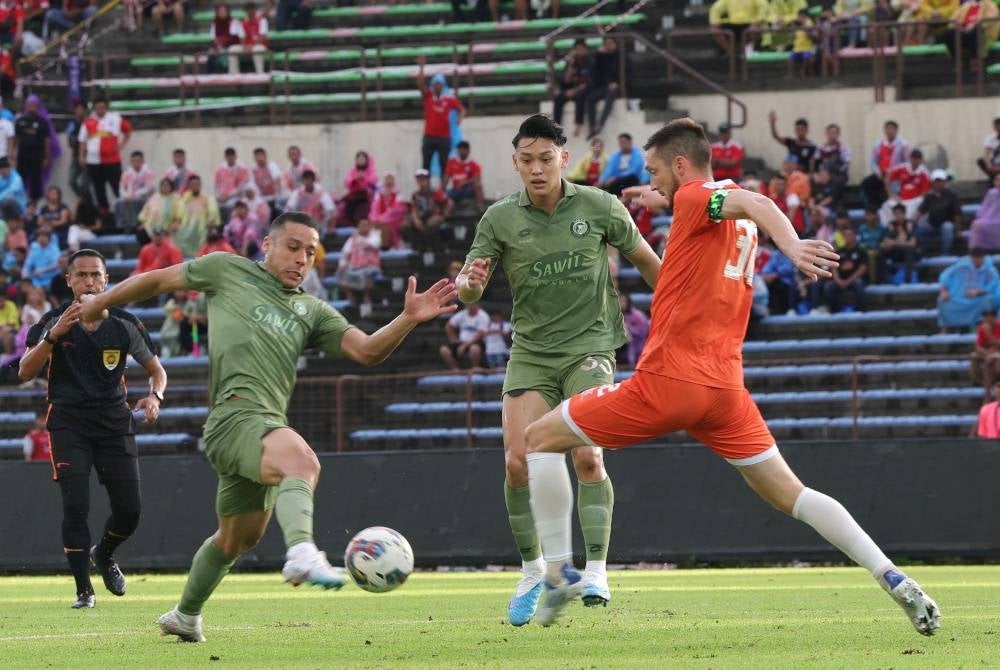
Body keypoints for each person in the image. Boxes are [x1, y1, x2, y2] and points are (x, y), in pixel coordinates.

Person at [519, 117, 940, 636]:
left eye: (654, 172)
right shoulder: (717, 208)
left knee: (538, 439)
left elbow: (755, 203)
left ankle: (559, 571)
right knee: (793, 494)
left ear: (680, 165)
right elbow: (734, 208)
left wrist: (792, 245)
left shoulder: (698, 197)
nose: (651, 180)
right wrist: (662, 200)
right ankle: (891, 575)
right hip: (724, 391)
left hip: (669, 381)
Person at [78, 211, 457, 642]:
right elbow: (159, 280)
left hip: (262, 426)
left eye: (310, 252)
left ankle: (185, 615)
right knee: (303, 462)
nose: (301, 259)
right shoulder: (227, 269)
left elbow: (368, 351)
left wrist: (407, 318)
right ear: (267, 244)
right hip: (234, 418)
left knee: (235, 540)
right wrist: (101, 301)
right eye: (293, 247)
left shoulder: (312, 311)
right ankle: (302, 553)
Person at [456, 114, 661, 626]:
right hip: (531, 352)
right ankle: (533, 572)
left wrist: (684, 309)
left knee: (588, 456)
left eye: (546, 158)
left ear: (563, 159)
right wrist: (469, 285)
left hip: (590, 346)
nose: (537, 168)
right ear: (515, 163)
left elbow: (647, 260)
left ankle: (596, 571)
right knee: (516, 464)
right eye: (527, 160)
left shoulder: (600, 206)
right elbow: (468, 288)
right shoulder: (499, 219)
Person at [19, 249, 166, 609]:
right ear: (68, 280)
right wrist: (53, 337)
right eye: (81, 275)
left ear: (106, 280)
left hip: (114, 423)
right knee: (76, 505)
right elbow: (24, 371)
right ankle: (84, 590)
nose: (89, 281)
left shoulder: (124, 323)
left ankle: (105, 553)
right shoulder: (52, 321)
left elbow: (157, 371)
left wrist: (155, 396)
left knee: (130, 512)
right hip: (69, 423)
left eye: (95, 275)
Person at [78, 96, 131, 215]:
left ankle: (124, 212)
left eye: (102, 107)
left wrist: (122, 144)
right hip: (93, 161)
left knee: (118, 187)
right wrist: (81, 156)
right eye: (98, 107)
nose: (100, 110)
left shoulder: (115, 119)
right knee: (98, 188)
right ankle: (104, 212)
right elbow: (82, 140)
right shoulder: (88, 121)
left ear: (106, 107)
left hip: (112, 160)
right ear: (94, 108)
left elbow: (128, 130)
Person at [416, 55, 464, 176]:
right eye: (436, 84)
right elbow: (420, 85)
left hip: (444, 137)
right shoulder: (428, 97)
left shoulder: (449, 99)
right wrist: (421, 68)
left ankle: (442, 188)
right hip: (429, 136)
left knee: (444, 165)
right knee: (426, 165)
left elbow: (462, 109)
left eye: (440, 84)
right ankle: (426, 187)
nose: (438, 86)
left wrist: (459, 118)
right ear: (432, 85)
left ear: (443, 86)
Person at [937, 248, 997, 333]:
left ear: (983, 258)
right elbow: (945, 276)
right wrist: (944, 290)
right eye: (974, 257)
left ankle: (983, 329)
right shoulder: (960, 265)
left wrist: (978, 292)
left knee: (987, 301)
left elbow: (994, 285)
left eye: (979, 257)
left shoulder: (990, 269)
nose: (976, 260)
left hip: (979, 298)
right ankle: (946, 330)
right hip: (959, 296)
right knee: (942, 300)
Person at [861, 120, 910, 209]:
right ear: (885, 130)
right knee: (867, 183)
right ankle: (876, 205)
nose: (890, 131)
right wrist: (877, 171)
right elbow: (873, 161)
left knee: (896, 186)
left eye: (892, 129)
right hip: (882, 173)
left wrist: (894, 170)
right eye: (888, 129)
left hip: (897, 174)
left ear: (896, 130)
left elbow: (907, 162)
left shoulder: (904, 145)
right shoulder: (878, 144)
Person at [13, 95, 53, 202]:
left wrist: (46, 157)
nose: (31, 107)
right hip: (22, 155)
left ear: (37, 106)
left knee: (36, 180)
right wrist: (12, 154)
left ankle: (34, 204)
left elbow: (47, 141)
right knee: (19, 179)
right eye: (29, 105)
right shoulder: (20, 121)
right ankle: (20, 202)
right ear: (26, 106)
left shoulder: (43, 122)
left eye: (33, 105)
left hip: (37, 155)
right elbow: (16, 138)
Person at [404, 168, 452, 256]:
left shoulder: (436, 192)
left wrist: (444, 216)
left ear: (428, 180)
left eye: (423, 179)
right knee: (405, 226)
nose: (421, 181)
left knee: (430, 225)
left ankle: (437, 248)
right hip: (421, 217)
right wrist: (416, 220)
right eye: (419, 179)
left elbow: (449, 203)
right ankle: (419, 246)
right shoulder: (415, 195)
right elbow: (414, 209)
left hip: (434, 215)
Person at [335, 218, 381, 308]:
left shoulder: (375, 235)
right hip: (354, 266)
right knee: (340, 273)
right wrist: (342, 264)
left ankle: (366, 297)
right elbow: (345, 253)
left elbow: (373, 244)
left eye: (365, 225)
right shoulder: (352, 238)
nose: (363, 227)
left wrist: (358, 238)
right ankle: (350, 297)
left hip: (370, 265)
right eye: (361, 226)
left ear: (369, 226)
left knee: (365, 274)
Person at [172, 175, 220, 258]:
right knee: (174, 233)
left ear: (200, 185)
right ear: (189, 186)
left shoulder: (207, 198)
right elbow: (179, 213)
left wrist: (210, 220)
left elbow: (212, 211)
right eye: (192, 185)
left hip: (202, 226)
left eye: (197, 184)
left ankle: (200, 256)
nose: (195, 186)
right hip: (186, 226)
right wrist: (176, 222)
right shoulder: (185, 198)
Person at [552, 39, 592, 138]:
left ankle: (578, 124)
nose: (579, 51)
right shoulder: (571, 63)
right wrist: (570, 64)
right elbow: (566, 81)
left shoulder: (590, 63)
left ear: (586, 50)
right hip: (570, 90)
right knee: (558, 98)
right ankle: (556, 128)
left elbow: (587, 83)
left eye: (581, 49)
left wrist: (575, 90)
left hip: (583, 90)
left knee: (581, 96)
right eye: (577, 49)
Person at [916, 169, 960, 256]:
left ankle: (945, 254)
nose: (938, 183)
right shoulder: (929, 196)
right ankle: (921, 253)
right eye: (936, 181)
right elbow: (920, 211)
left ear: (944, 182)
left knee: (947, 227)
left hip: (947, 225)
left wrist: (958, 230)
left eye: (940, 181)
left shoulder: (952, 195)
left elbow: (957, 214)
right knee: (917, 230)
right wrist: (911, 223)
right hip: (932, 225)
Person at [438, 301, 490, 370]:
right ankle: (455, 369)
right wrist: (453, 339)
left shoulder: (483, 316)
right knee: (444, 350)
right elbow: (449, 326)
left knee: (474, 349)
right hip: (461, 341)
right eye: (469, 304)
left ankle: (475, 368)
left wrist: (464, 346)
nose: (470, 306)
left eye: (473, 304)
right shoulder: (462, 314)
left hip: (476, 342)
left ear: (477, 305)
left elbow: (480, 335)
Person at [586, 37, 620, 139]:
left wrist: (617, 83)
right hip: (604, 87)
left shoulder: (620, 56)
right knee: (590, 98)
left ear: (615, 45)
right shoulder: (601, 57)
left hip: (617, 87)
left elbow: (625, 73)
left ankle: (600, 125)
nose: (608, 46)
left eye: (610, 44)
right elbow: (595, 71)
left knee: (609, 97)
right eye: (606, 44)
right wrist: (599, 55)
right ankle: (592, 126)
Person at [115, 150, 157, 232]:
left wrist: (134, 195)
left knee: (137, 202)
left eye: (138, 161)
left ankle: (135, 225)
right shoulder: (126, 173)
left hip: (144, 197)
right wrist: (125, 196)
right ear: (131, 162)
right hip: (129, 197)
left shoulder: (148, 172)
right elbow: (122, 187)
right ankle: (122, 227)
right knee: (118, 203)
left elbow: (149, 187)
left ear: (142, 161)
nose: (136, 163)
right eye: (134, 161)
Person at [880, 204, 919, 284]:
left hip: (911, 253)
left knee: (909, 250)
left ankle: (908, 280)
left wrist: (895, 242)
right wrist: (901, 242)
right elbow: (885, 242)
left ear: (904, 213)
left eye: (899, 213)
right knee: (881, 250)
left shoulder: (910, 224)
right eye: (895, 213)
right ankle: (884, 279)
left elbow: (912, 244)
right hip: (897, 252)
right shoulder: (891, 225)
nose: (897, 215)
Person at [337, 150, 377, 228]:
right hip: (353, 197)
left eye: (363, 158)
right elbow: (347, 182)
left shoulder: (371, 170)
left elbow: (373, 180)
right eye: (359, 158)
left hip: (365, 198)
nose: (361, 160)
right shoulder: (353, 170)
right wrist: (355, 179)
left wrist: (364, 178)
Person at [368, 173, 408, 249]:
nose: (389, 182)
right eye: (387, 179)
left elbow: (397, 211)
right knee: (372, 225)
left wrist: (382, 219)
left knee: (385, 226)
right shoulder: (379, 194)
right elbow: (374, 210)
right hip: (379, 221)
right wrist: (376, 219)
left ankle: (388, 246)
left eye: (391, 179)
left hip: (394, 221)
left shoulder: (398, 194)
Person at [443, 141, 485, 211]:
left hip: (467, 190)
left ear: (468, 151)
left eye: (463, 149)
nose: (461, 151)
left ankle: (480, 207)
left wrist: (465, 182)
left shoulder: (473, 163)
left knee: (477, 185)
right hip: (456, 190)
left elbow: (477, 178)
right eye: (460, 149)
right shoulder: (452, 162)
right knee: (443, 196)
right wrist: (442, 189)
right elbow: (446, 177)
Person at [138, 178, 180, 244]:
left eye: (167, 186)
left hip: (167, 228)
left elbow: (179, 214)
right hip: (150, 226)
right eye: (163, 185)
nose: (165, 187)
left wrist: (175, 223)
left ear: (171, 187)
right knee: (141, 233)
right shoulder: (154, 197)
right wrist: (143, 222)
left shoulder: (176, 198)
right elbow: (145, 211)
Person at [232, 3, 268, 75]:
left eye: (252, 9)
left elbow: (262, 36)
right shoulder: (243, 22)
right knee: (232, 49)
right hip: (247, 46)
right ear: (245, 11)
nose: (250, 11)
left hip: (260, 45)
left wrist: (252, 46)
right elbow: (242, 37)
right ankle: (234, 75)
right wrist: (244, 47)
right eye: (248, 9)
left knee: (257, 50)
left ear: (255, 10)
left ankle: (260, 73)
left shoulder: (262, 20)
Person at [213, 147, 251, 212]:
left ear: (235, 157)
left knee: (229, 206)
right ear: (225, 157)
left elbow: (240, 187)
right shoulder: (220, 169)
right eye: (228, 156)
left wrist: (228, 196)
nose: (230, 158)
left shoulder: (241, 169)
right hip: (221, 197)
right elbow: (216, 184)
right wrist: (219, 196)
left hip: (236, 197)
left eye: (232, 156)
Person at [970, 173, 1000, 252]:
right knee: (977, 224)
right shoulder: (991, 193)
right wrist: (979, 216)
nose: (999, 182)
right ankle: (975, 251)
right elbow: (984, 206)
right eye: (997, 180)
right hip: (990, 219)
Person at [618, 293, 649, 368]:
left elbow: (643, 332)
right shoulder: (616, 316)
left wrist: (628, 328)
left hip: (637, 346)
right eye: (619, 301)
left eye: (623, 301)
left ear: (628, 302)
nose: (621, 303)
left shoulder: (638, 315)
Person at [250, 147, 284, 214]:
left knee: (277, 206)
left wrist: (276, 195)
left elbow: (277, 180)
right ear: (254, 158)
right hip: (260, 198)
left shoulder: (272, 165)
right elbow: (252, 185)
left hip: (273, 196)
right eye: (257, 156)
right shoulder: (253, 169)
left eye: (261, 155)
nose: (259, 158)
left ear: (265, 156)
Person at [973, 308, 1000, 386]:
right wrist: (986, 352)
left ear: (994, 318)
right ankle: (985, 389)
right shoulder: (982, 328)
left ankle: (997, 381)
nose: (987, 320)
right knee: (986, 364)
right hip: (988, 354)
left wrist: (988, 333)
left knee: (995, 360)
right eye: (985, 318)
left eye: (989, 318)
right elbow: (977, 346)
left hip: (997, 353)